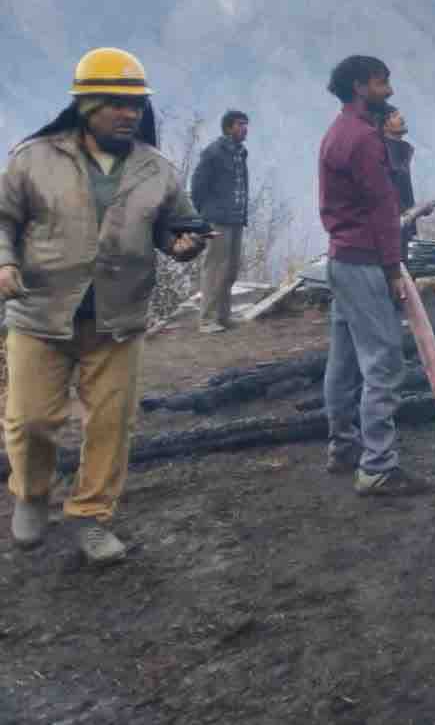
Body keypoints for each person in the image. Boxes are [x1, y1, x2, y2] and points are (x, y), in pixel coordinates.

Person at [0, 48, 207, 564]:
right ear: (87, 104)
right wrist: (4, 263)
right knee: (31, 420)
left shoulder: (155, 169)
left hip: (118, 318)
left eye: (135, 104)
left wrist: (184, 243)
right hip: (39, 312)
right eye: (116, 103)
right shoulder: (34, 158)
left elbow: (178, 225)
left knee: (110, 424)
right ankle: (30, 493)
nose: (128, 113)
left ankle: (91, 516)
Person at [318, 55, 431, 496]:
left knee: (343, 359)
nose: (390, 90)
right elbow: (382, 208)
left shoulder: (338, 130)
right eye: (383, 83)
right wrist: (392, 269)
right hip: (364, 260)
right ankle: (378, 466)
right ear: (361, 86)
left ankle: (343, 446)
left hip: (341, 259)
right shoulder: (363, 139)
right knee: (383, 360)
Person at [190, 109, 249, 334]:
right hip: (217, 220)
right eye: (240, 124)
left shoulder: (240, 153)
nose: (245, 129)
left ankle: (223, 317)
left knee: (231, 269)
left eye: (245, 124)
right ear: (228, 128)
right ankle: (207, 320)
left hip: (235, 219)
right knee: (215, 269)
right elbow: (197, 186)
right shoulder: (213, 152)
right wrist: (204, 214)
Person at [381, 106, 417, 249]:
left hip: (404, 219)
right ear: (384, 125)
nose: (401, 118)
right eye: (394, 116)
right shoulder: (380, 150)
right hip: (388, 222)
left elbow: (405, 189)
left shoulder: (402, 149)